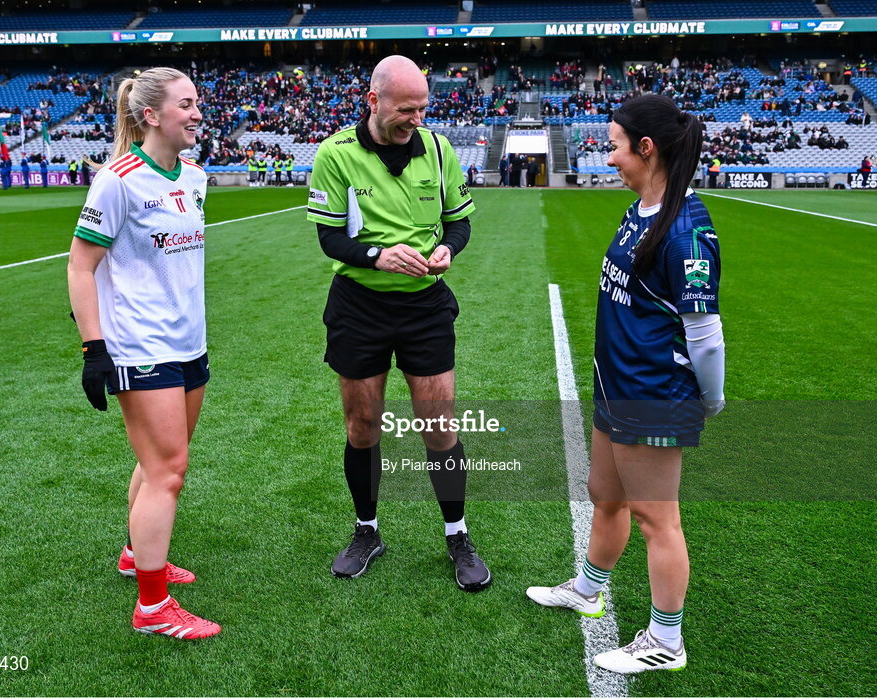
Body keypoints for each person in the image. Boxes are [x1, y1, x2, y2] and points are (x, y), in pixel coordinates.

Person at [525, 94, 725, 674]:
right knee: (603, 493)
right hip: (617, 384)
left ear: (646, 148)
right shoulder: (641, 208)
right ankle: (589, 589)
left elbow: (706, 333)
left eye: (614, 145)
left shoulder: (687, 227)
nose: (607, 157)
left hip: (654, 391)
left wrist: (707, 400)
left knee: (656, 518)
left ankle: (666, 640)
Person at [305, 55, 491, 591]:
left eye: (422, 108)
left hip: (425, 307)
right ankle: (367, 531)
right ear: (373, 101)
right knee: (362, 426)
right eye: (406, 108)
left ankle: (457, 535)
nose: (416, 118)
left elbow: (459, 224)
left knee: (439, 426)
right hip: (358, 305)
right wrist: (377, 256)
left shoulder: (438, 148)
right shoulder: (335, 154)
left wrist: (447, 252)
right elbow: (329, 238)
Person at [66, 66, 219, 640]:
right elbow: (81, 267)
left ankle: (137, 554)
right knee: (168, 472)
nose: (197, 113)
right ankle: (152, 609)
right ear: (151, 115)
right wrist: (94, 348)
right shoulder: (118, 180)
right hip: (141, 345)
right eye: (186, 104)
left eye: (197, 102)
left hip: (190, 343)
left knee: (161, 464)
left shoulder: (196, 177)